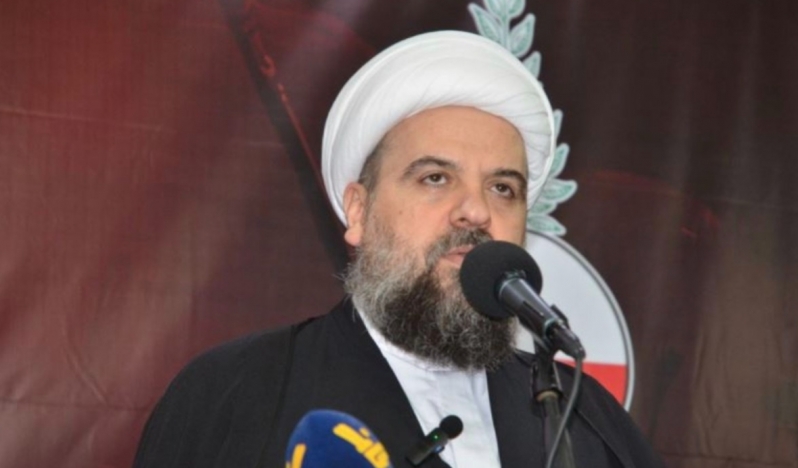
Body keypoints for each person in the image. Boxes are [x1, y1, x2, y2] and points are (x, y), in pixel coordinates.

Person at [133, 31, 664, 468]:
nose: (476, 211)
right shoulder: (237, 391)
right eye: (435, 177)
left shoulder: (582, 417)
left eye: (503, 188)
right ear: (359, 211)